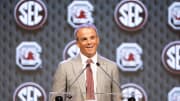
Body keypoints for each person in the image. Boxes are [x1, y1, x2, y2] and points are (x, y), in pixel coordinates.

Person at [52, 24, 121, 101]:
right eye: (84, 39)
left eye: (92, 38)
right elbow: (56, 98)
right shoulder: (65, 67)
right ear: (77, 43)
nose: (89, 42)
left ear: (97, 40)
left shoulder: (111, 67)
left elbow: (117, 98)